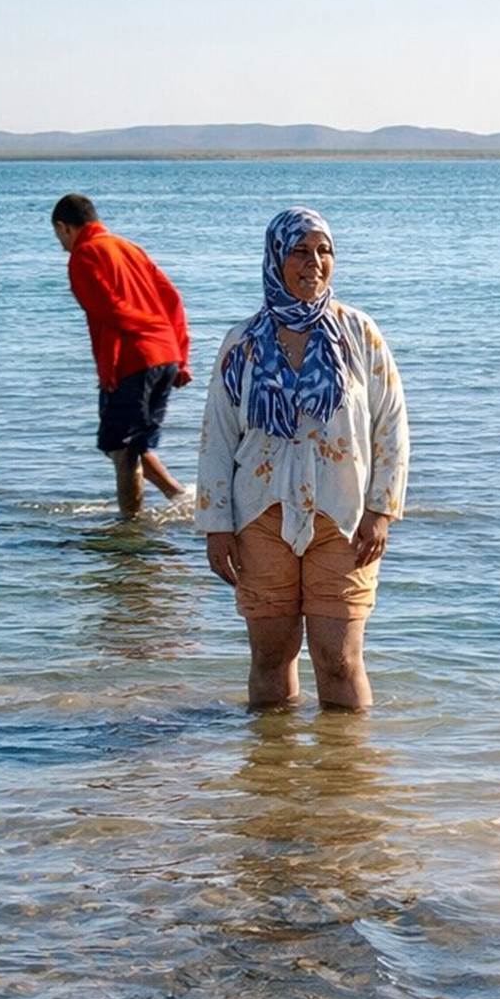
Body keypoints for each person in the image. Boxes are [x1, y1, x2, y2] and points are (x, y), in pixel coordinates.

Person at [195, 207, 408, 711]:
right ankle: (272, 780)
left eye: (323, 251)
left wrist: (382, 510)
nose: (313, 262)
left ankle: (345, 780)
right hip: (259, 518)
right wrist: (216, 525)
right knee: (272, 658)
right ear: (275, 258)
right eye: (299, 251)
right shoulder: (242, 343)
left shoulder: (359, 334)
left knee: (340, 660)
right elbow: (218, 438)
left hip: (345, 518)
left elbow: (391, 424)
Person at [52, 193, 192, 519]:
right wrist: (180, 355)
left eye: (58, 235)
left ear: (64, 227)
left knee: (123, 448)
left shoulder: (84, 256)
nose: (60, 243)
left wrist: (110, 374)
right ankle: (181, 498)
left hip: (135, 359)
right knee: (131, 444)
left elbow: (109, 313)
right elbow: (171, 298)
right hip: (164, 354)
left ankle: (130, 529)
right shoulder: (128, 247)